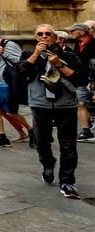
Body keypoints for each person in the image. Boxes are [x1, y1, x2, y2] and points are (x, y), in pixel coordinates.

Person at [19, 22, 86, 199]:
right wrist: (35, 55)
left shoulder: (68, 56)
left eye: (48, 34)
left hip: (66, 105)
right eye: (40, 34)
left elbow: (80, 79)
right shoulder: (28, 55)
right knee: (41, 141)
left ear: (55, 37)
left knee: (68, 145)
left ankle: (67, 181)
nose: (44, 37)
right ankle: (48, 164)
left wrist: (59, 64)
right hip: (40, 104)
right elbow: (21, 73)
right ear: (35, 37)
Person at [68, 22, 94, 143]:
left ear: (82, 32)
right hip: (80, 80)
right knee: (81, 103)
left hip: (91, 80)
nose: (71, 33)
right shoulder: (78, 44)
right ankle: (86, 130)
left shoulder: (93, 44)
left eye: (73, 30)